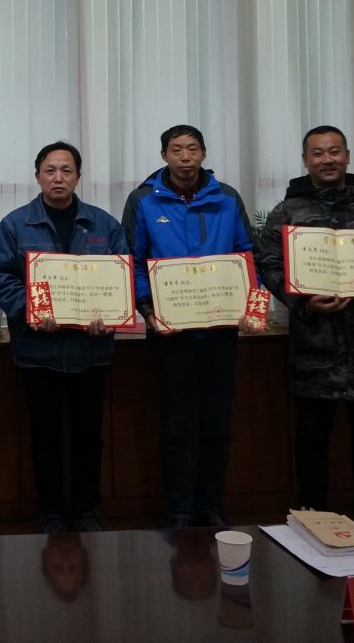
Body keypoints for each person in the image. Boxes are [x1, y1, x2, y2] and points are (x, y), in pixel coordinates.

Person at [255, 125, 354, 519]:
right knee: (312, 437)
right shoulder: (288, 213)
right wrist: (303, 302)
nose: (327, 159)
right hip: (315, 347)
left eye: (335, 151)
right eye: (318, 153)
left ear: (347, 156)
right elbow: (269, 266)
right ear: (305, 160)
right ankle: (313, 514)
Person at [0, 141, 128, 533]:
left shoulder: (104, 224)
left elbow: (121, 279)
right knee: (44, 437)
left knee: (89, 437)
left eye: (66, 170)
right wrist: (30, 309)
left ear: (78, 177)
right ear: (37, 176)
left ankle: (85, 512)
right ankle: (50, 512)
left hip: (91, 352)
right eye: (50, 170)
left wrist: (110, 317)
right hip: (38, 353)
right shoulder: (16, 224)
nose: (58, 178)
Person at [126, 125, 257, 529]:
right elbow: (133, 262)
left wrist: (249, 307)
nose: (185, 157)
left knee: (218, 424)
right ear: (163, 155)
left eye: (193, 149)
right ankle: (180, 509)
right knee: (175, 425)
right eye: (177, 150)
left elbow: (245, 255)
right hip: (170, 334)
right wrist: (149, 310)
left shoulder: (227, 198)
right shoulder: (144, 200)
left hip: (220, 331)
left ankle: (211, 506)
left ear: (203, 153)